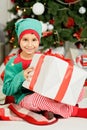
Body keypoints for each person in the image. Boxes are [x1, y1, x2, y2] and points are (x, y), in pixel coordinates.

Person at [2, 18, 87, 120]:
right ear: (19, 40)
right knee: (36, 100)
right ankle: (73, 110)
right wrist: (21, 76)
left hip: (45, 93)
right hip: (25, 98)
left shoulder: (41, 57)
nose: (30, 44)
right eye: (25, 40)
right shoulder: (12, 63)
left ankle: (48, 109)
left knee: (79, 90)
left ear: (39, 40)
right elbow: (7, 90)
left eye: (34, 40)